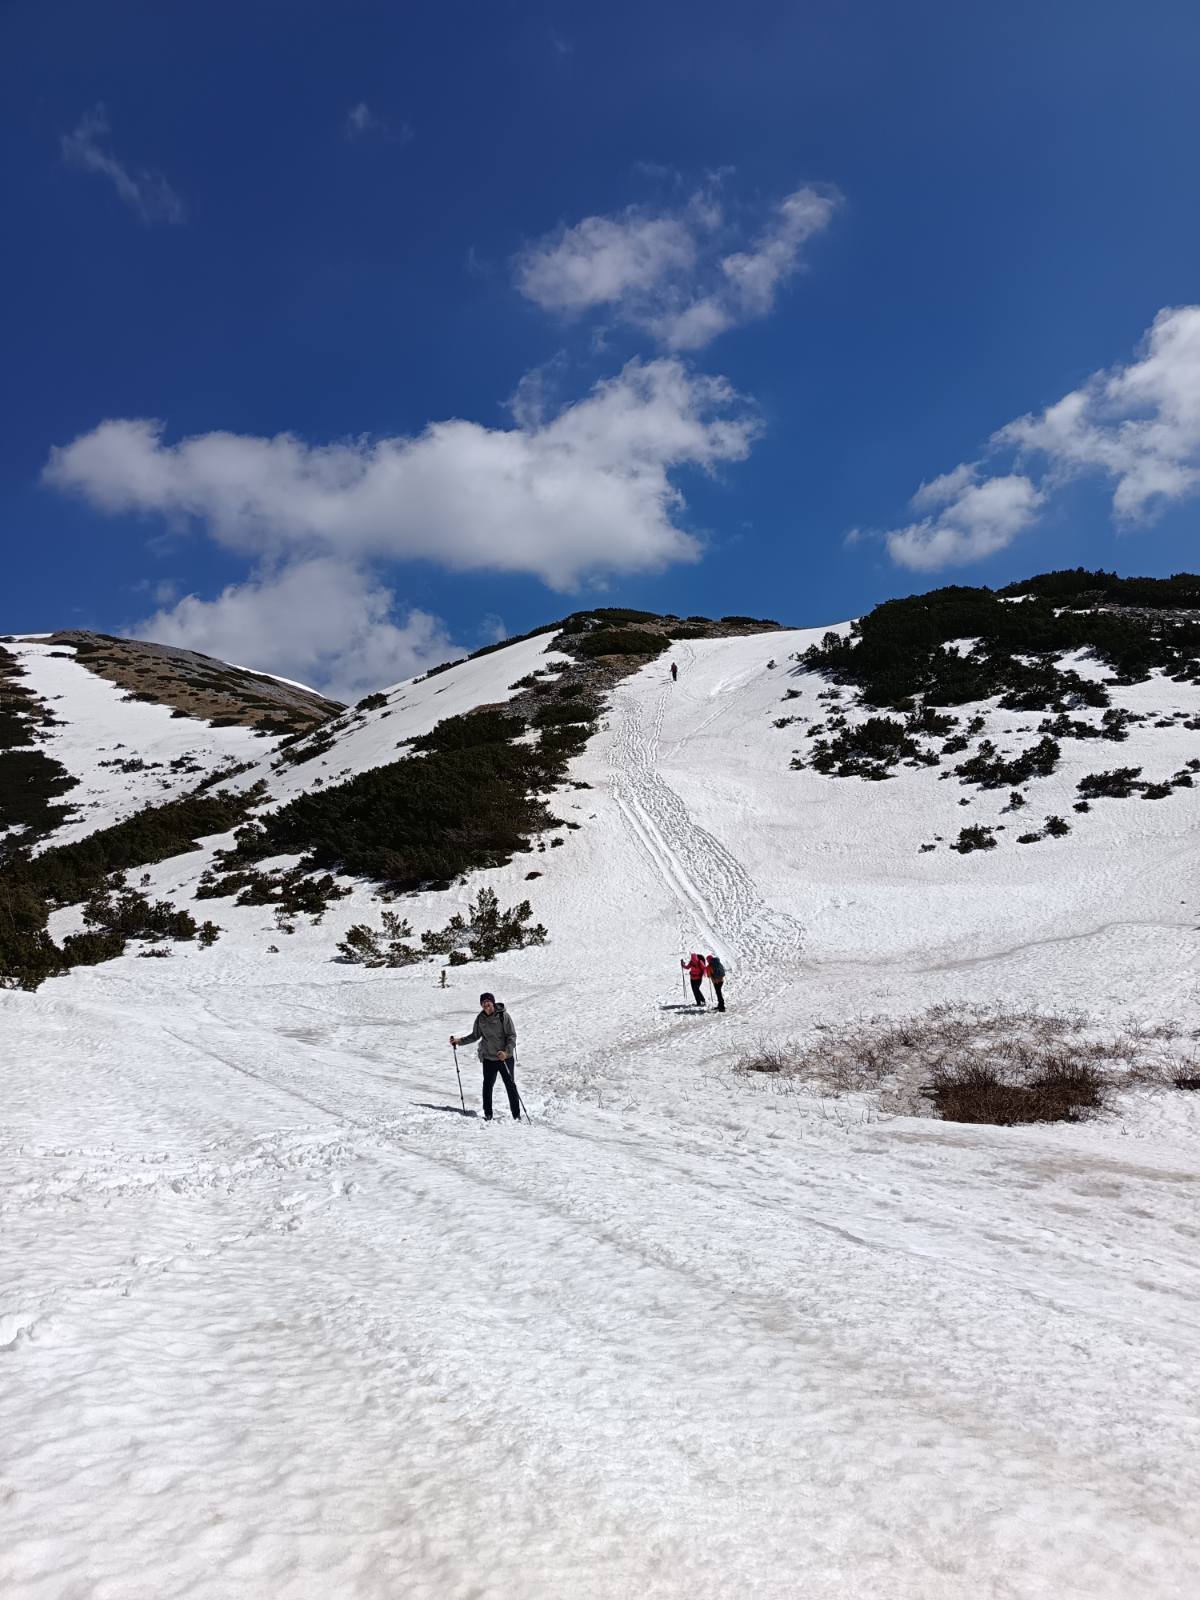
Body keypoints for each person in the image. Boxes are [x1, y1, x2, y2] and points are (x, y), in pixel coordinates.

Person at [451, 992, 520, 1120]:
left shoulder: (503, 1016)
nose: (486, 1004)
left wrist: (506, 1052)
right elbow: (475, 1035)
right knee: (487, 1087)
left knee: (510, 1086)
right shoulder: (480, 1018)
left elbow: (511, 1036)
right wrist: (459, 1041)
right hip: (489, 1058)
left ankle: (516, 1115)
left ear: (492, 1002)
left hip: (504, 1058)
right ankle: (488, 1115)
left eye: (488, 1001)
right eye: (483, 1002)